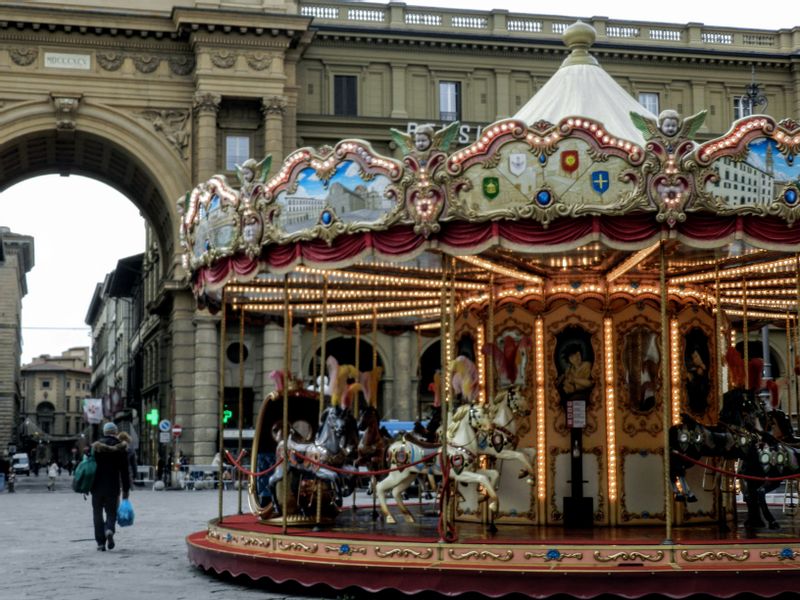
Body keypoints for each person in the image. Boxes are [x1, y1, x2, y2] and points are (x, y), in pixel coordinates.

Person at [91, 421, 131, 551]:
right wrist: (125, 490)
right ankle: (109, 529)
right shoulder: (120, 448)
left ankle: (100, 543)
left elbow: (88, 467)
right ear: (115, 432)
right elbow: (125, 471)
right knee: (111, 512)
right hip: (112, 486)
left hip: (96, 485)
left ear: (104, 432)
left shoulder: (96, 447)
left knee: (97, 513)